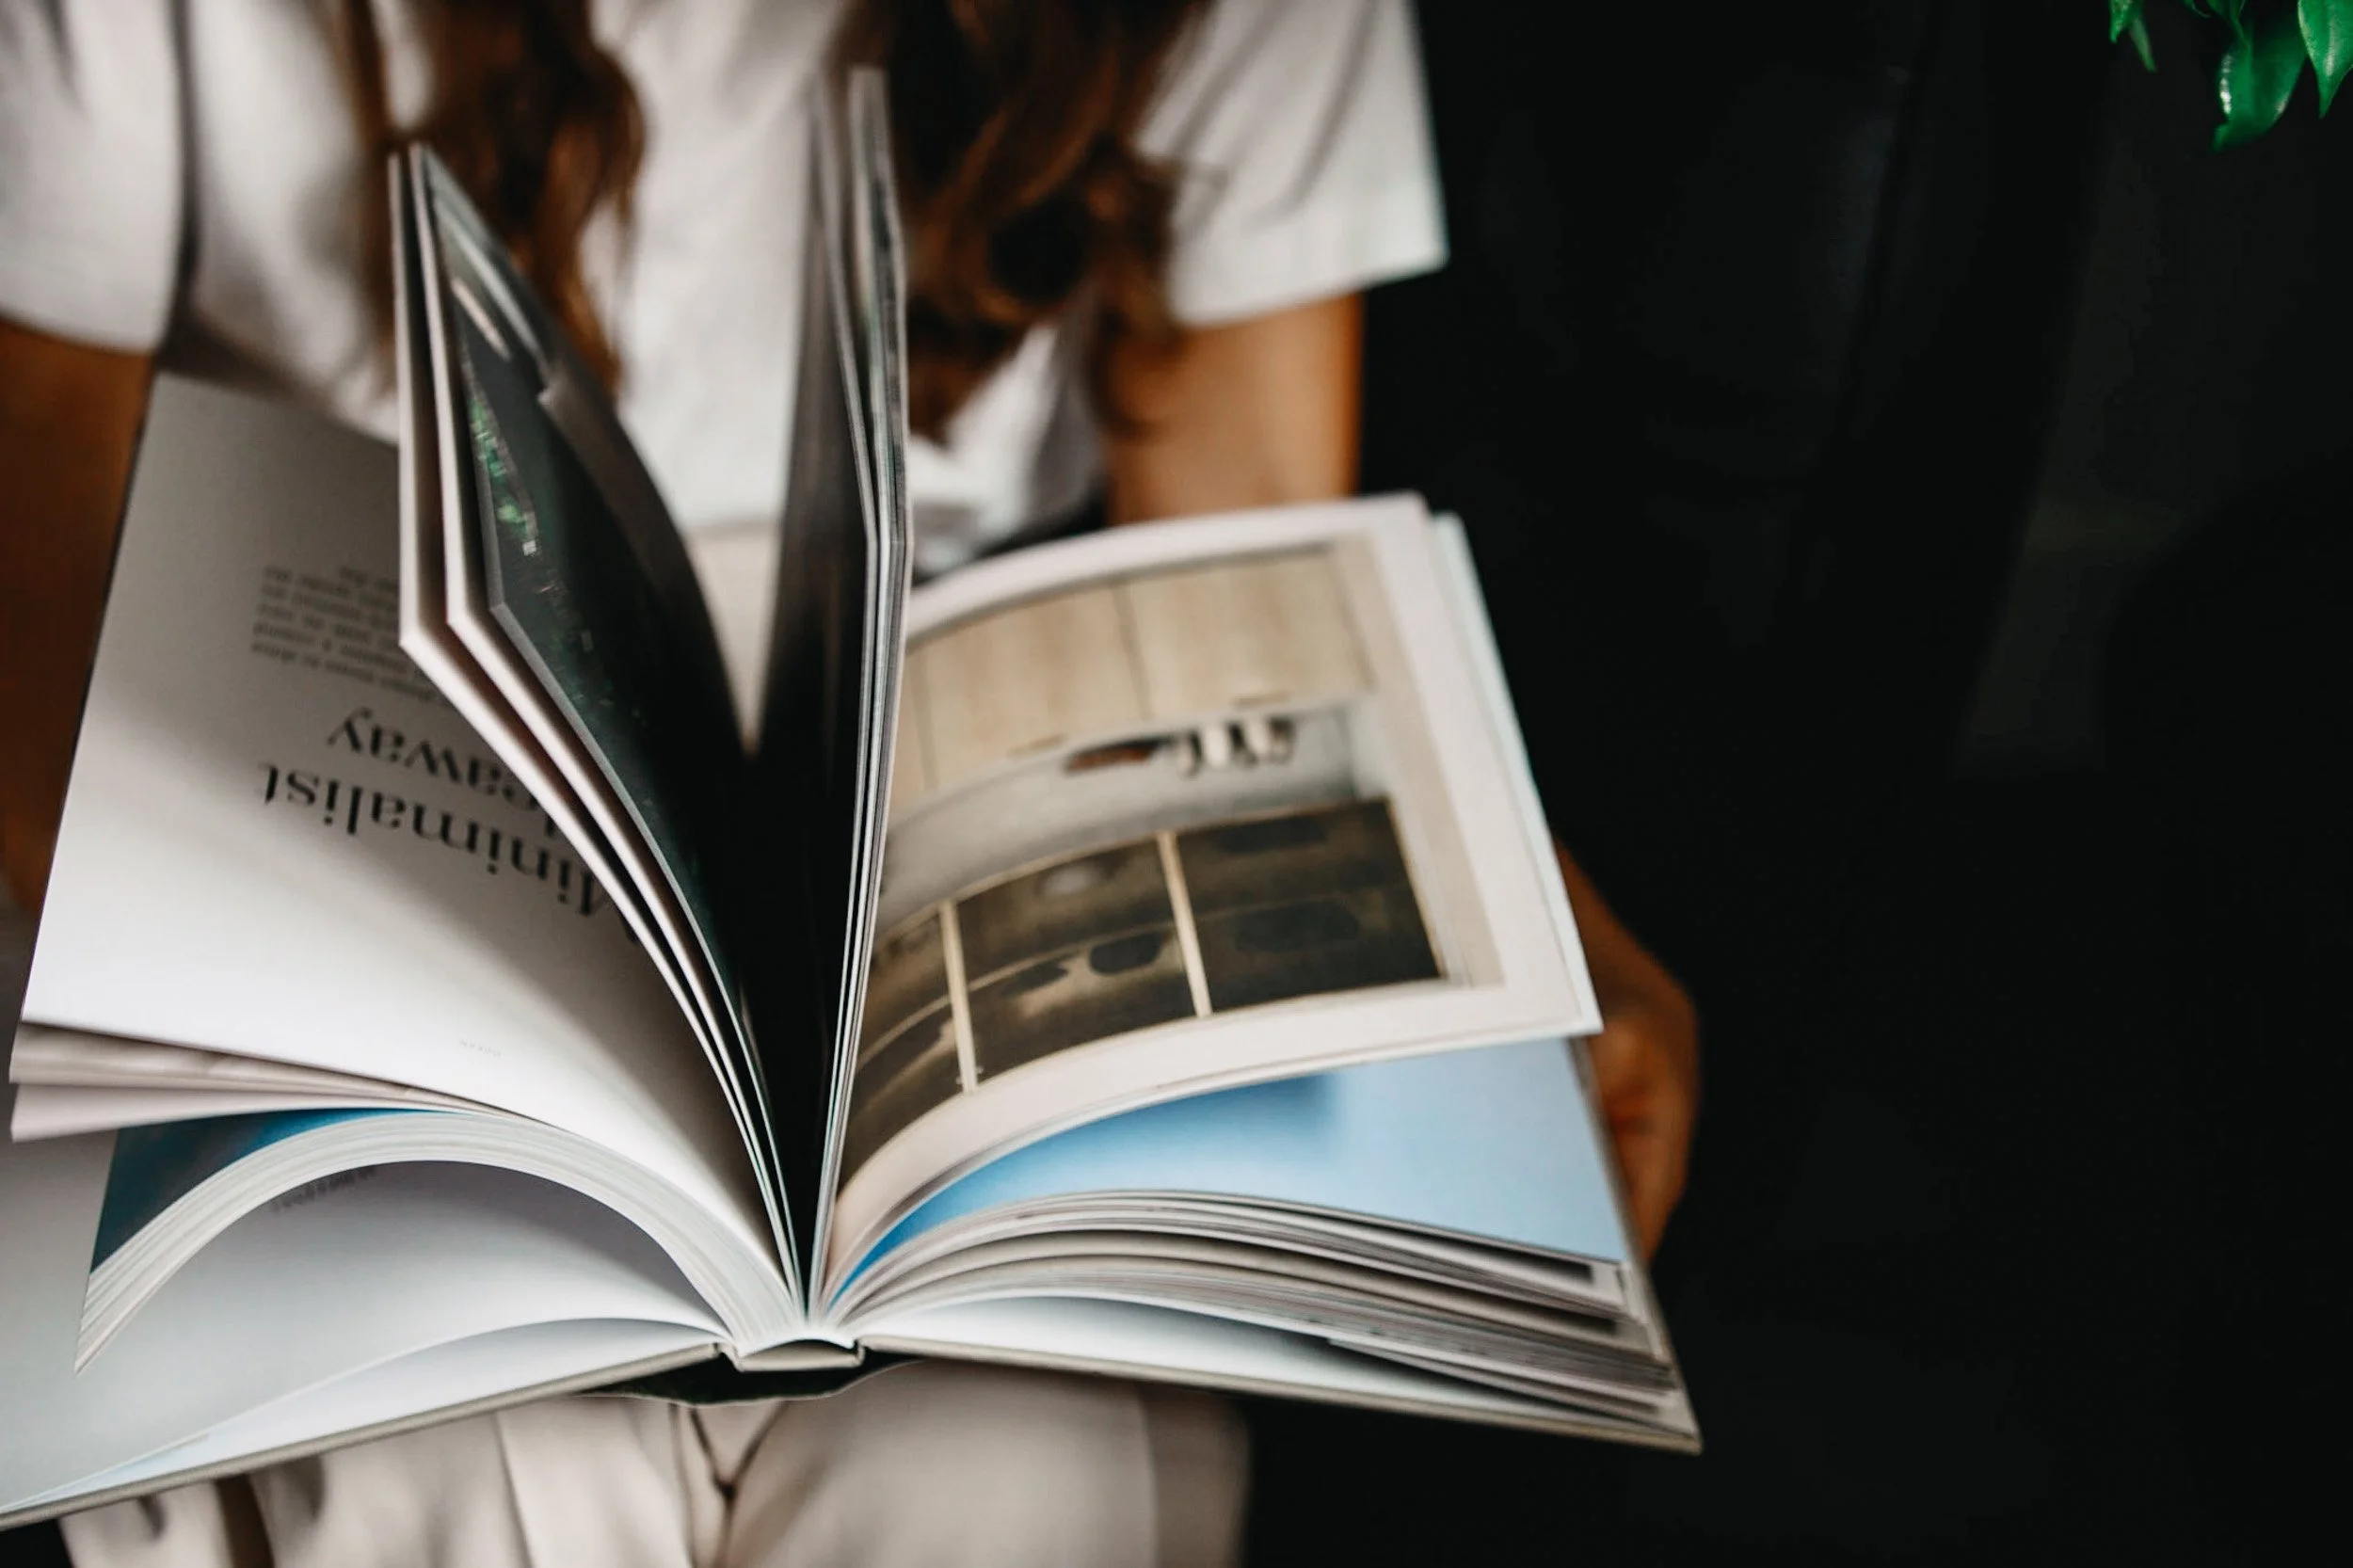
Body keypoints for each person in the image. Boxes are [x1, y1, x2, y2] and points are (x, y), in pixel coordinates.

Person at [0, 2, 1700, 1563]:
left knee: (1017, 1477)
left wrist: (1514, 916)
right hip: (326, 736)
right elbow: (36, 563)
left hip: (934, 740)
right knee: (425, 1460)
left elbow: (1245, 580)